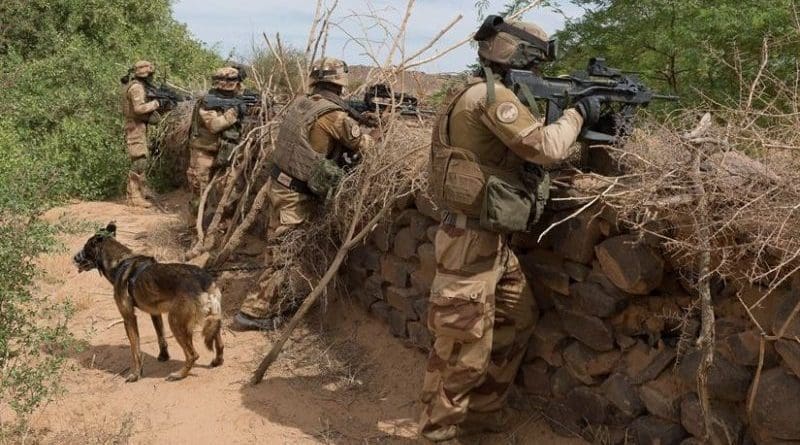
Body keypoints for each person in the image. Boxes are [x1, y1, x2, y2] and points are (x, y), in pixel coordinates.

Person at [419, 15, 604, 442]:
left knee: (517, 318)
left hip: (487, 240)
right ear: (516, 54)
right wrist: (579, 113)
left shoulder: (478, 91)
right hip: (470, 242)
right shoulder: (491, 97)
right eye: (535, 61)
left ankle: (480, 418)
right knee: (461, 349)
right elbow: (546, 148)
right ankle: (436, 432)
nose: (538, 71)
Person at [232, 57, 374, 331]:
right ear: (341, 84)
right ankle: (254, 312)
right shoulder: (334, 115)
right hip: (294, 196)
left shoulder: (303, 104)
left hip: (280, 185)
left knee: (277, 247)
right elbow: (363, 145)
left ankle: (275, 299)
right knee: (283, 252)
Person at [185, 66, 244, 226]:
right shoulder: (208, 102)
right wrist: (234, 113)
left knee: (229, 192)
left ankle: (220, 225)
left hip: (226, 153)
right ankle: (194, 228)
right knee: (199, 195)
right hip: (203, 153)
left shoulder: (235, 100)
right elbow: (214, 125)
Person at [121, 60, 163, 207]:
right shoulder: (137, 87)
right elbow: (138, 109)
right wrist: (156, 104)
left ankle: (141, 189)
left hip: (139, 126)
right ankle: (134, 196)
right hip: (135, 127)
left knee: (143, 157)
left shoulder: (139, 85)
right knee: (139, 159)